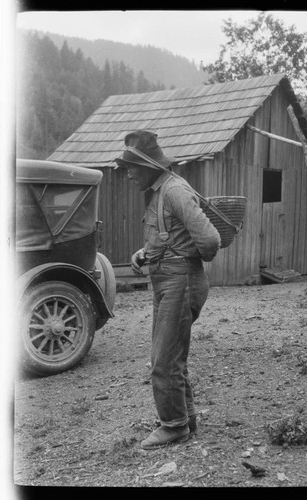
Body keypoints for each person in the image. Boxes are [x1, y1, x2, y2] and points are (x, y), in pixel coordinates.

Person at [115, 130, 221, 449]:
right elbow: (168, 235)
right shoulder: (157, 192)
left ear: (149, 165)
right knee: (172, 356)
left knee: (162, 360)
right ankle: (185, 419)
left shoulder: (174, 190)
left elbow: (210, 240)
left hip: (180, 282)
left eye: (133, 167)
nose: (129, 173)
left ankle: (173, 426)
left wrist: (184, 263)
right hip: (167, 281)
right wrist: (146, 253)